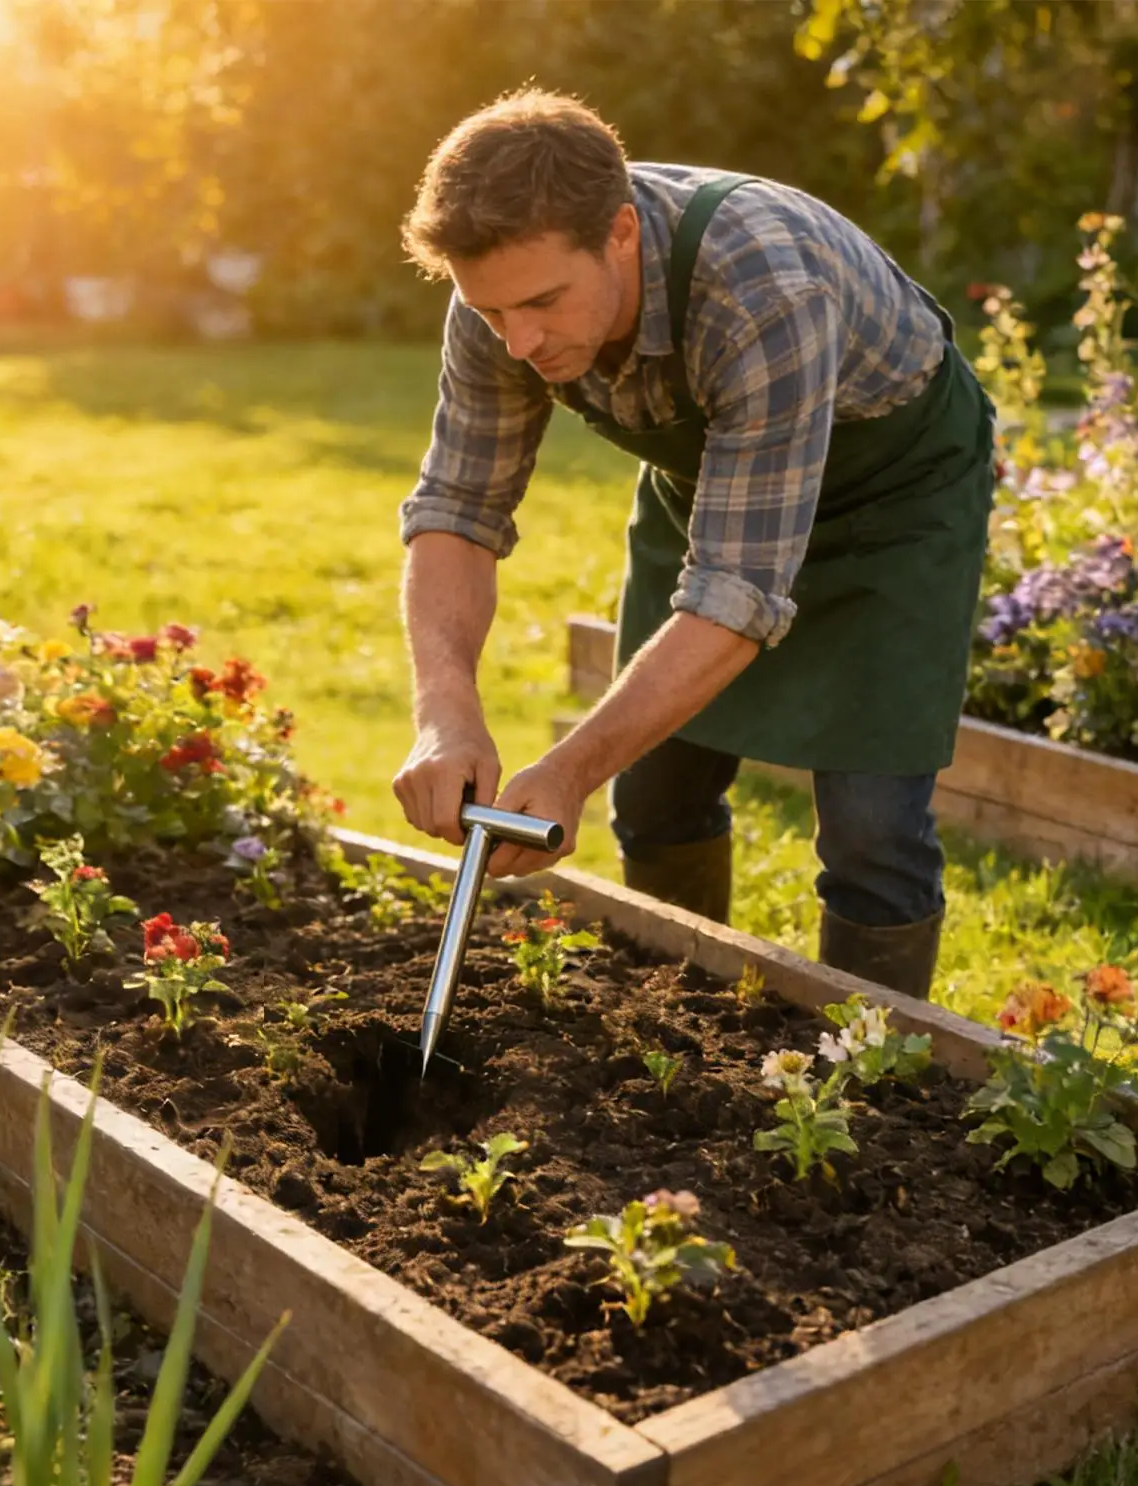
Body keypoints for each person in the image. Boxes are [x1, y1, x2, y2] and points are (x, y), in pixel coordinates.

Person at [390, 89, 996, 1001]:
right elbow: (456, 510)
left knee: (873, 829)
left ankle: (875, 1075)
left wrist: (565, 771)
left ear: (622, 234)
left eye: (543, 303)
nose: (518, 340)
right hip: (720, 482)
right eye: (491, 310)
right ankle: (688, 1022)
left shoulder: (762, 287)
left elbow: (737, 590)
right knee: (658, 796)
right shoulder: (504, 308)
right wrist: (444, 709)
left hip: (891, 502)